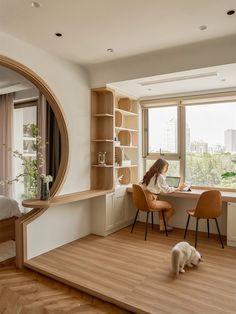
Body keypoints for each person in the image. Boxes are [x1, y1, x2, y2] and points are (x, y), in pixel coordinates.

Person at [142, 158, 184, 232]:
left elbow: (145, 185)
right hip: (151, 202)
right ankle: (163, 225)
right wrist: (177, 189)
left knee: (162, 208)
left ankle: (162, 227)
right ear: (161, 167)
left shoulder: (148, 173)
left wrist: (158, 188)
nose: (165, 170)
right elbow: (167, 190)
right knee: (170, 208)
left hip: (144, 201)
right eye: (165, 167)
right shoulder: (159, 176)